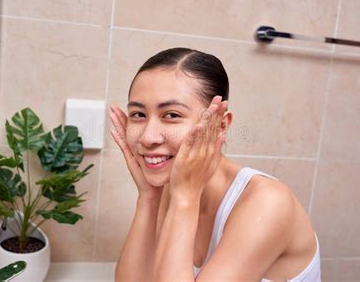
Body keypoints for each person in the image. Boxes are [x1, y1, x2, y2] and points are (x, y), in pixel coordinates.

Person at [108, 47, 321, 282]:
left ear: (220, 125)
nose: (148, 137)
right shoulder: (172, 189)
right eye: (138, 114)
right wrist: (148, 197)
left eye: (171, 115)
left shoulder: (268, 202)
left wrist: (185, 198)